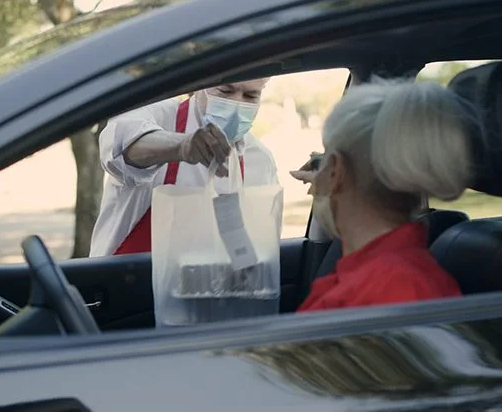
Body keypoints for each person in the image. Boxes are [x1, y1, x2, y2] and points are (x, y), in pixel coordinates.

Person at [290, 78, 477, 312]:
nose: (316, 171)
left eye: (323, 160)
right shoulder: (394, 275)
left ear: (336, 171)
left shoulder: (394, 288)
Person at [90, 79, 279, 257]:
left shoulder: (260, 160)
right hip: (127, 282)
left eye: (251, 96)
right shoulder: (157, 116)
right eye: (225, 90)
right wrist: (181, 146)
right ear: (200, 84)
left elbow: (260, 245)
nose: (236, 104)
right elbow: (119, 148)